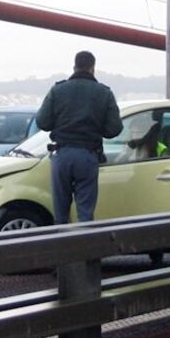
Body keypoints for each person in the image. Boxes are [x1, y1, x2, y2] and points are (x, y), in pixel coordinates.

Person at [36, 50, 122, 224]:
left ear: (74, 66)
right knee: (85, 213)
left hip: (62, 154)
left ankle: (60, 248)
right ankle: (84, 248)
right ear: (92, 68)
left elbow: (42, 122)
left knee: (60, 213)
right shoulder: (104, 93)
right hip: (88, 156)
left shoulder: (58, 90)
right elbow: (114, 129)